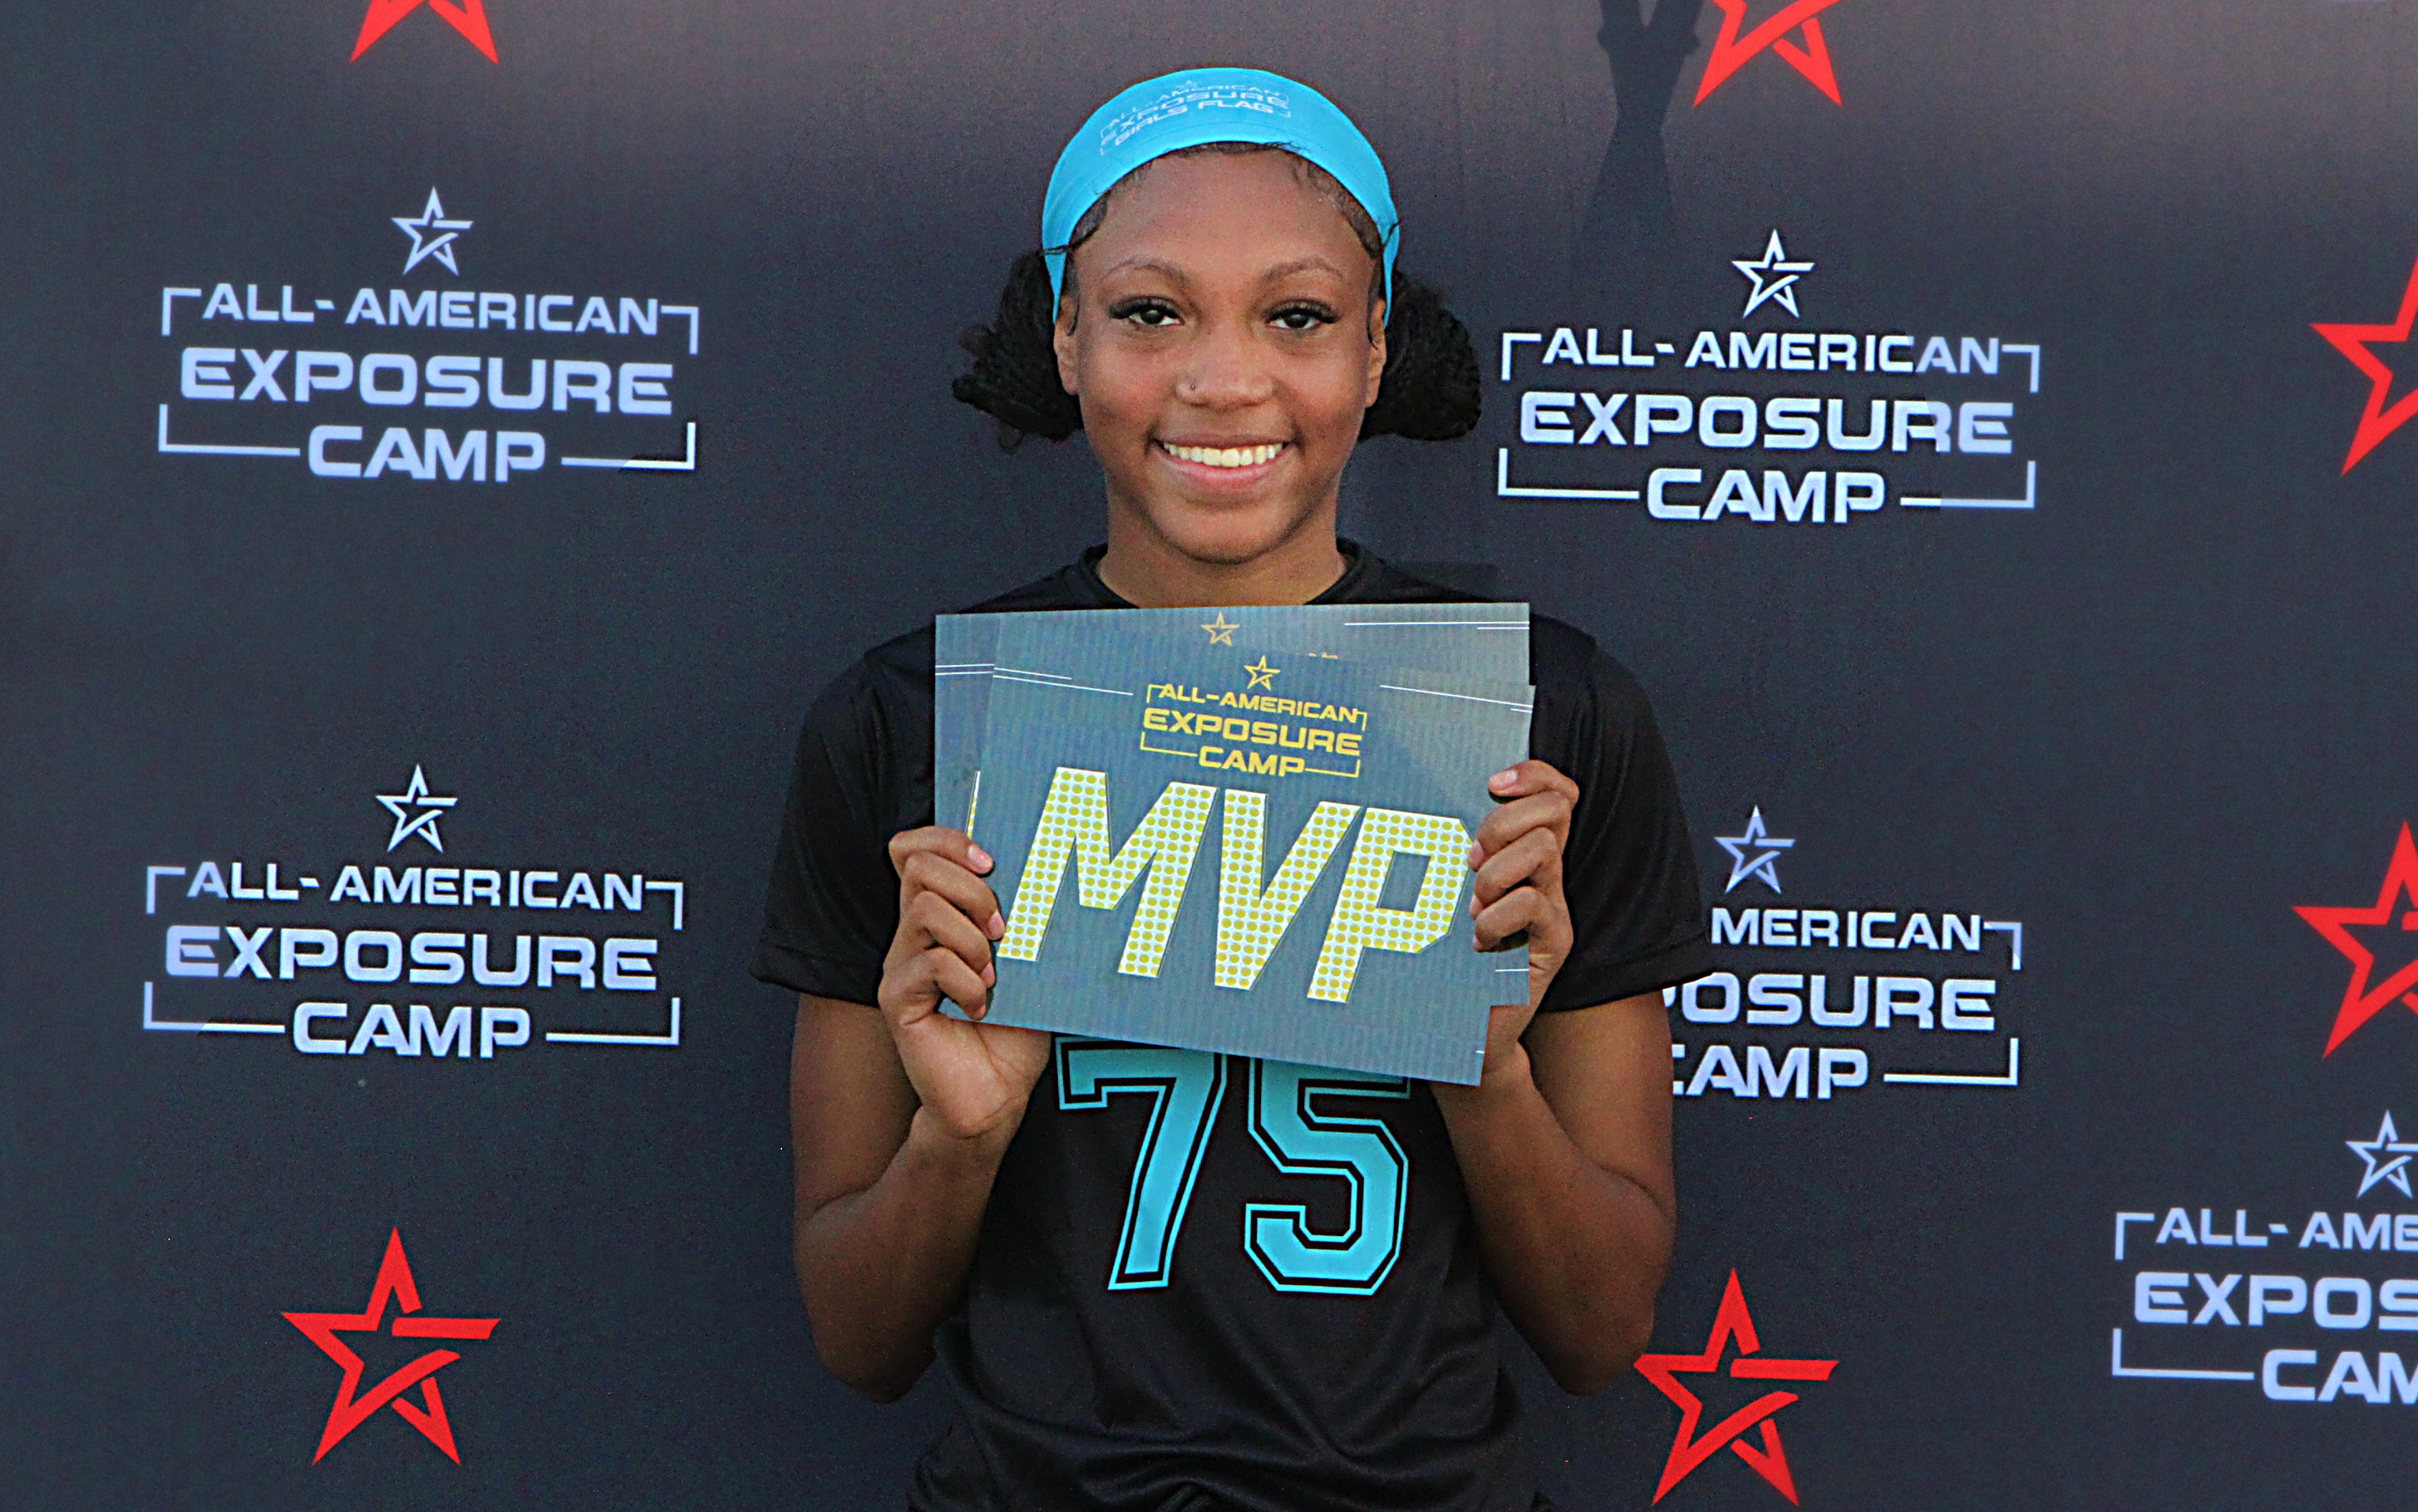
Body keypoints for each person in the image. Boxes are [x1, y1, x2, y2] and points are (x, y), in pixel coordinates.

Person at [755, 67, 1711, 1512]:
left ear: (1377, 347)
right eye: (1150, 312)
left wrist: (1485, 1062)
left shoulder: (1545, 717)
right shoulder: (909, 721)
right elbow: (856, 1336)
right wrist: (959, 1133)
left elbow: (1601, 1333)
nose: (1223, 379)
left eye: (1297, 315)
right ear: (1064, 338)